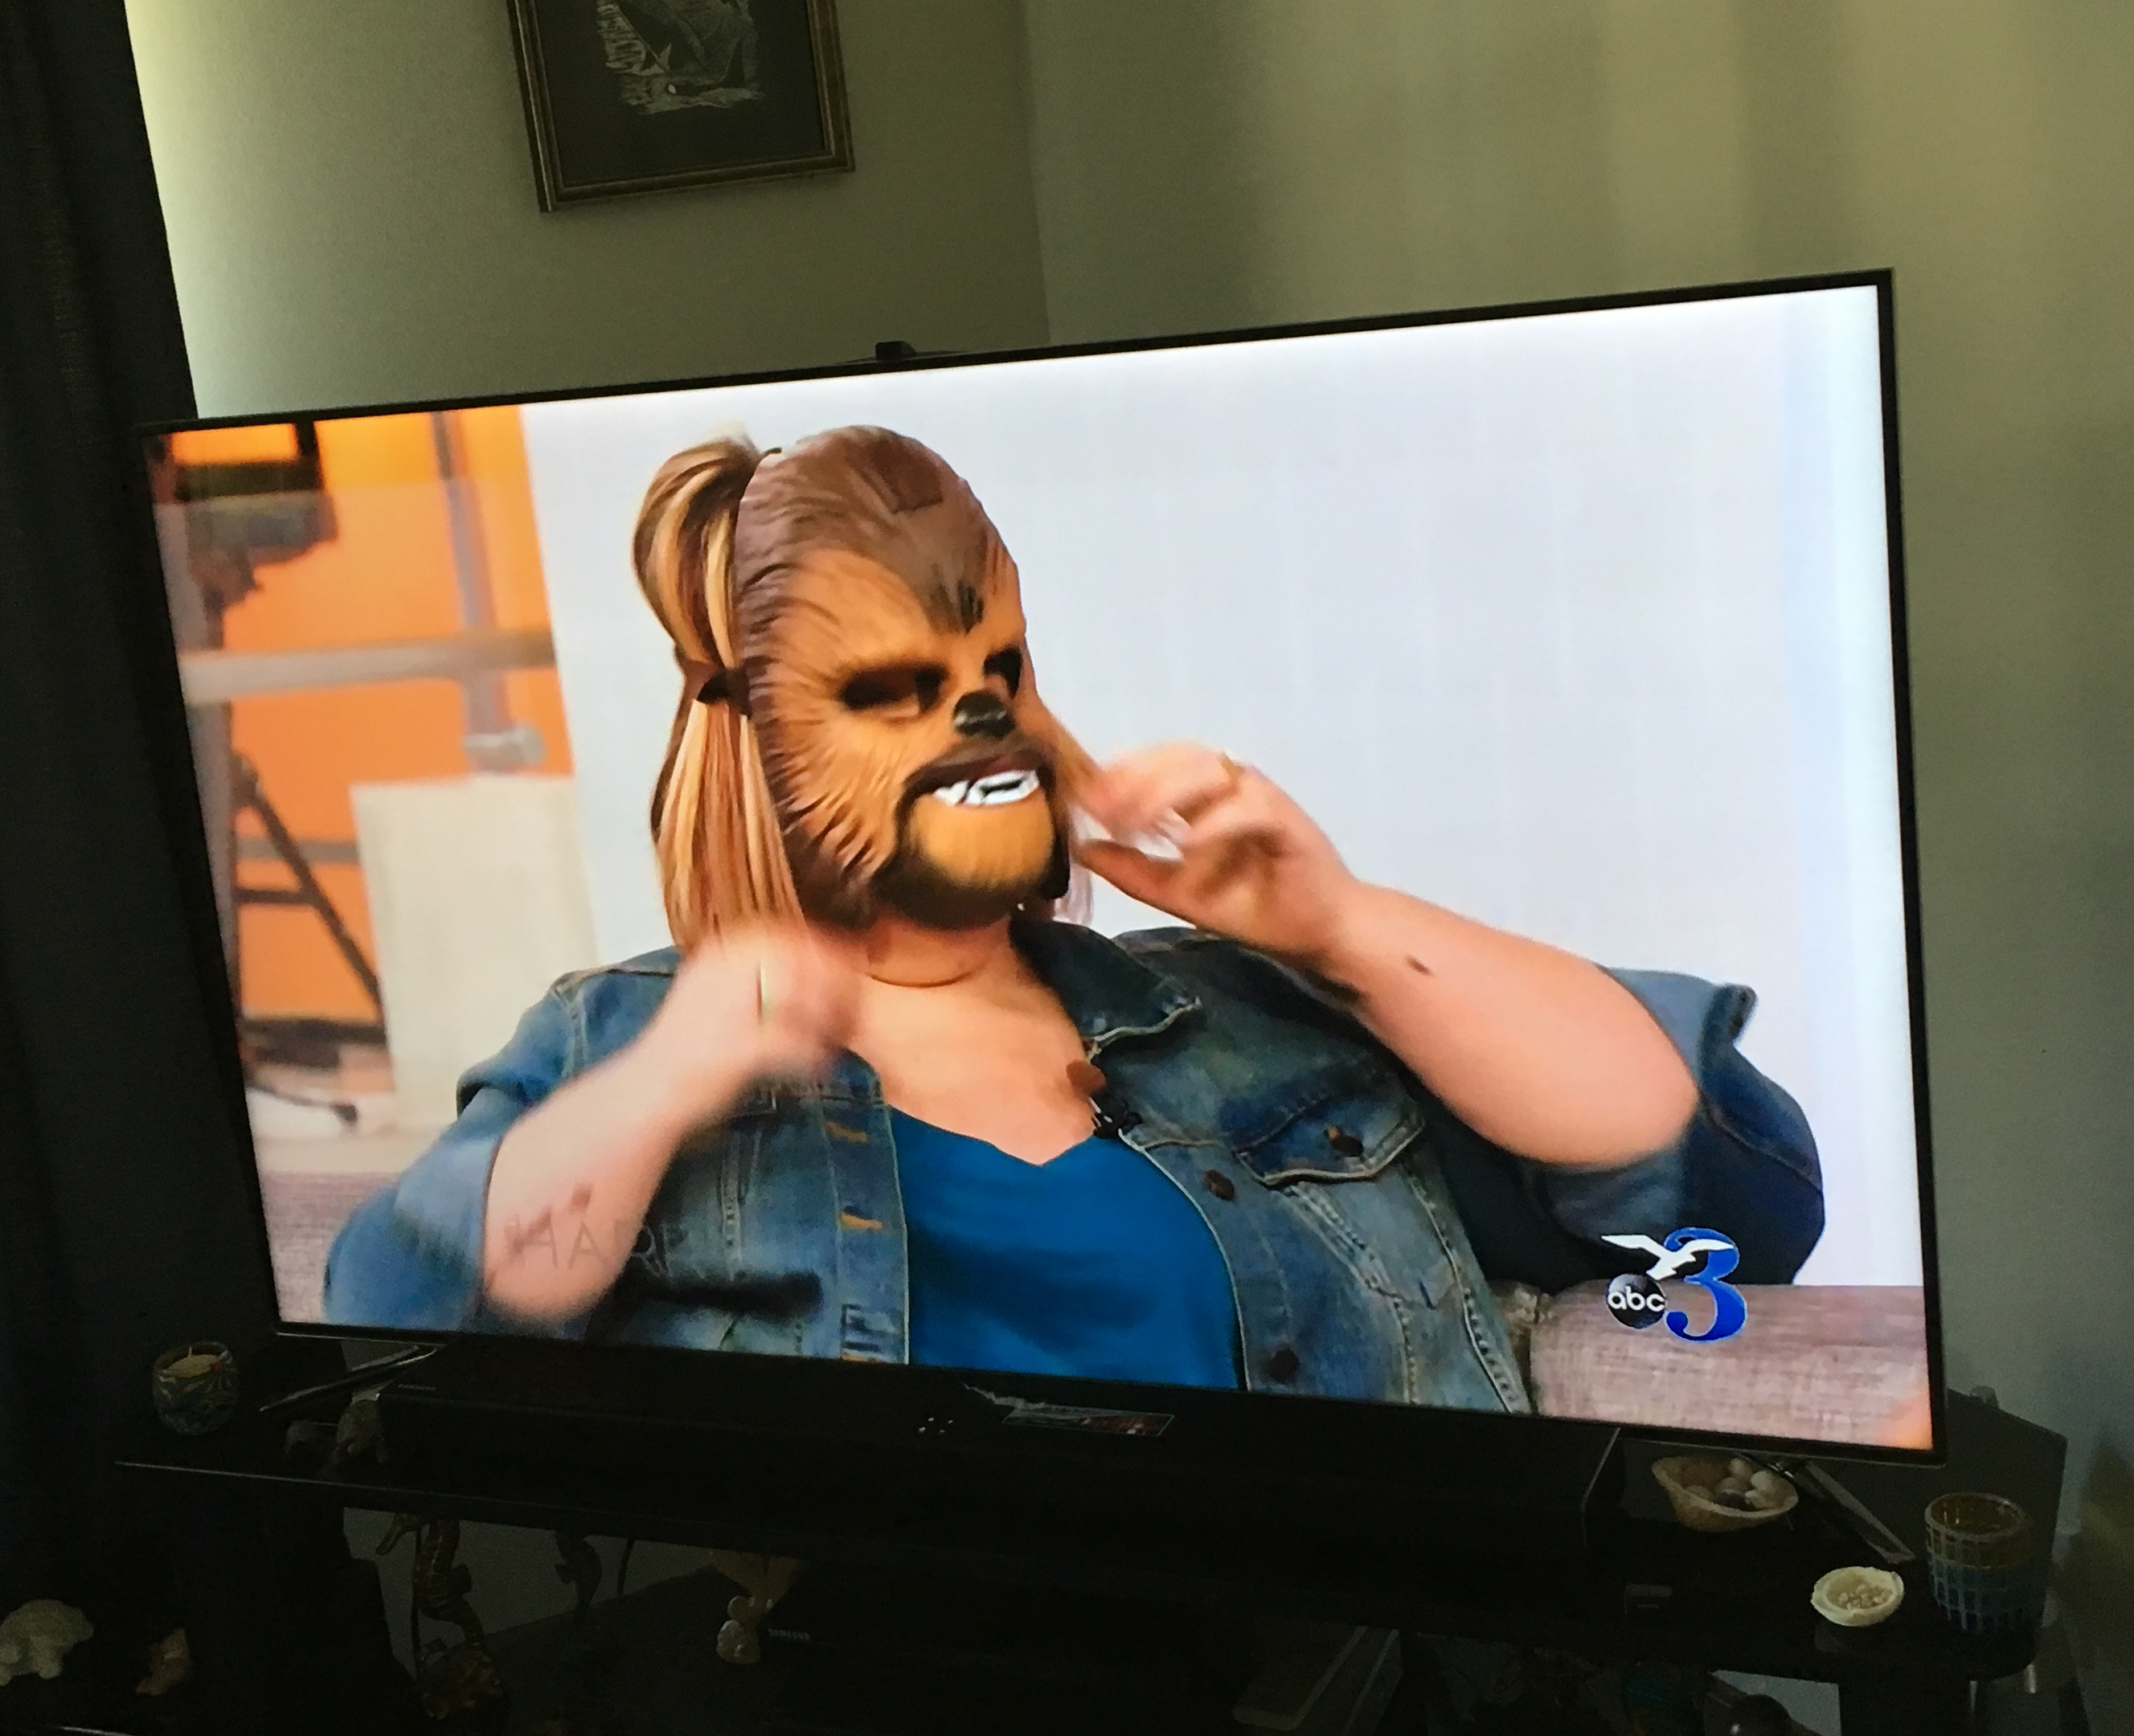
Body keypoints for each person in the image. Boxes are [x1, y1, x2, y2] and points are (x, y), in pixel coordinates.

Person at [325, 427, 1821, 1412]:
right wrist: (670, 1078)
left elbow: (1736, 1208)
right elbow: (395, 1327)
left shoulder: (1243, 1016)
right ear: (755, 744)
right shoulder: (620, 1040)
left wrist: (1342, 929)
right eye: (893, 691)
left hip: (1341, 1686)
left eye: (1003, 667)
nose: (982, 717)